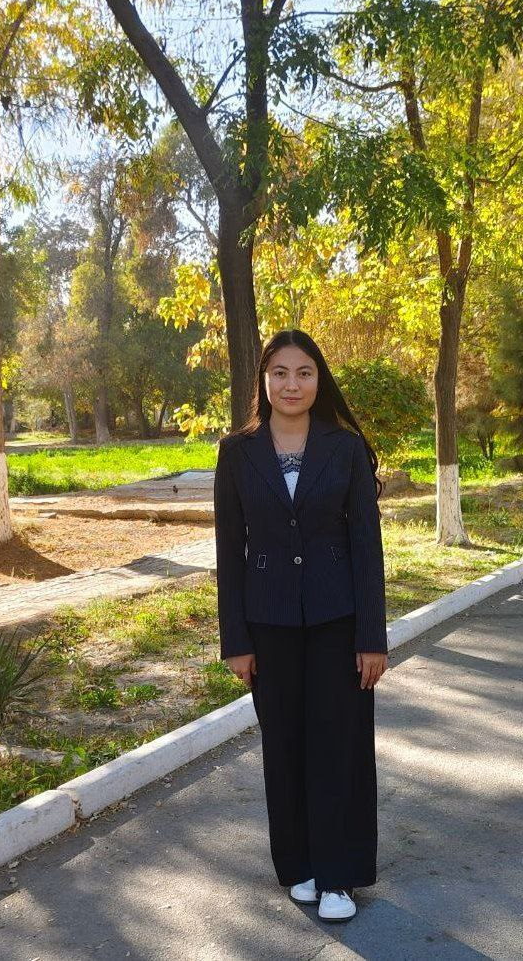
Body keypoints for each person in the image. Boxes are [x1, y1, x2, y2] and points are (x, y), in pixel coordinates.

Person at [213, 328, 389, 923]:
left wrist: (372, 637)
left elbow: (367, 547)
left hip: (339, 623)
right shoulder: (237, 453)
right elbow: (228, 549)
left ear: (320, 380)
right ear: (263, 380)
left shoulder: (345, 449)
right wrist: (235, 639)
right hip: (269, 624)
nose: (293, 384)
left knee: (338, 746)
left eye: (305, 373)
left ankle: (339, 875)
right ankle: (302, 868)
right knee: (284, 746)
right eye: (281, 373)